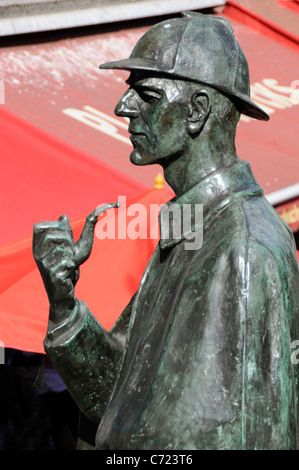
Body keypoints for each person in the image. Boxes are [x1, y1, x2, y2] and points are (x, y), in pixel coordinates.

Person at [33, 12, 299, 450]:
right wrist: (65, 304)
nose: (123, 107)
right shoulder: (187, 221)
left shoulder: (243, 247)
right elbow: (122, 394)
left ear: (197, 111)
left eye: (147, 94)